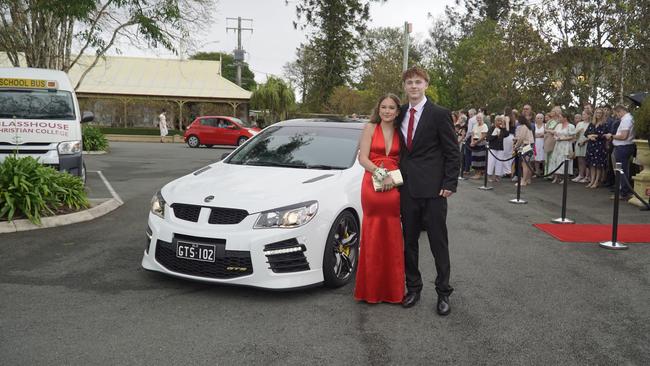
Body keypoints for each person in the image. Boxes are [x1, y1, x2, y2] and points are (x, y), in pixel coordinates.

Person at [396, 66, 460, 315]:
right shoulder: (399, 113)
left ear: (426, 85)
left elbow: (452, 151)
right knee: (409, 242)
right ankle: (413, 288)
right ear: (405, 86)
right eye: (409, 82)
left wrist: (449, 183)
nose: (413, 86)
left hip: (434, 191)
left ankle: (443, 292)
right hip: (407, 189)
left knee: (438, 243)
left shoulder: (439, 114)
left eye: (418, 82)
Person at [354, 94, 405, 304]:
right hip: (372, 185)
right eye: (383, 107)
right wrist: (380, 174)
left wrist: (392, 178)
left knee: (392, 234)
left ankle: (393, 291)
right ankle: (370, 290)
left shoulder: (401, 131)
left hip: (395, 186)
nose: (386, 111)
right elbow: (362, 158)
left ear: (397, 111)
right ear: (379, 109)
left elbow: (406, 159)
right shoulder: (369, 128)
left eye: (391, 107)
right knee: (372, 232)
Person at [605, 105, 636, 200]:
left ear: (620, 111)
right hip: (625, 146)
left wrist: (611, 136)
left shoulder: (626, 120)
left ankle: (623, 192)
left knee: (622, 170)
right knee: (624, 170)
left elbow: (623, 136)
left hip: (623, 147)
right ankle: (624, 190)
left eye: (616, 114)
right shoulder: (629, 118)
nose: (616, 116)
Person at [548, 113, 576, 184]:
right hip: (558, 145)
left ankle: (565, 178)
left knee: (564, 160)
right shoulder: (558, 125)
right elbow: (555, 134)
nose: (559, 119)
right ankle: (557, 177)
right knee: (556, 159)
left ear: (565, 118)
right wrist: (556, 137)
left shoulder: (571, 126)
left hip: (566, 145)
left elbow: (573, 137)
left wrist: (563, 139)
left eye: (560, 117)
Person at [585, 108, 609, 189]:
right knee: (592, 164)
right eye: (597, 113)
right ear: (595, 114)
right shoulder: (592, 123)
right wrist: (589, 136)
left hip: (600, 146)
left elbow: (604, 135)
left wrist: (595, 135)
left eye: (600, 113)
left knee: (598, 165)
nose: (598, 114)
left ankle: (596, 182)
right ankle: (592, 180)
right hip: (591, 146)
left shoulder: (604, 124)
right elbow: (586, 133)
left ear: (602, 114)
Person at [486, 115, 510, 182]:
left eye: (501, 121)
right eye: (498, 120)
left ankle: (497, 176)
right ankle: (489, 175)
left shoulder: (502, 128)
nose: (499, 122)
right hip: (492, 148)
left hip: (500, 148)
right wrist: (495, 135)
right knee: (491, 162)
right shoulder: (492, 128)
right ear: (495, 121)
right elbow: (488, 138)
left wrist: (504, 126)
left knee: (499, 162)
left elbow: (507, 134)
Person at [513, 114, 535, 186]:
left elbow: (521, 138)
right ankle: (528, 179)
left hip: (525, 145)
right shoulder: (528, 126)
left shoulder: (523, 127)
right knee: (528, 163)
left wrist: (516, 146)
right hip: (530, 145)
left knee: (524, 164)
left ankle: (523, 181)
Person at [469, 113, 488, 179]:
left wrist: (476, 142)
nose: (478, 119)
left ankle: (479, 173)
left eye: (479, 118)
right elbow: (472, 134)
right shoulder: (475, 125)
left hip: (481, 143)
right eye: (477, 118)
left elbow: (483, 136)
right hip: (475, 143)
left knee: (480, 159)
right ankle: (476, 173)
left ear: (482, 118)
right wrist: (472, 142)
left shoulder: (484, 125)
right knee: (475, 159)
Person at [573, 112, 591, 183]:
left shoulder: (590, 124)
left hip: (586, 142)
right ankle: (580, 175)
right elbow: (575, 135)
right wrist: (578, 132)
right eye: (582, 114)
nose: (583, 116)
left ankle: (587, 176)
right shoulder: (579, 124)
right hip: (579, 142)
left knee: (586, 160)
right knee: (580, 159)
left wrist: (584, 141)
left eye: (584, 114)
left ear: (588, 115)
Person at [544, 106, 562, 176]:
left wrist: (549, 131)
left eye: (553, 111)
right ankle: (546, 173)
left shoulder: (559, 121)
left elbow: (556, 131)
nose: (551, 112)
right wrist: (549, 131)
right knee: (547, 157)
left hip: (555, 140)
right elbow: (545, 130)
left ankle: (552, 174)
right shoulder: (550, 121)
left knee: (553, 157)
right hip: (547, 139)